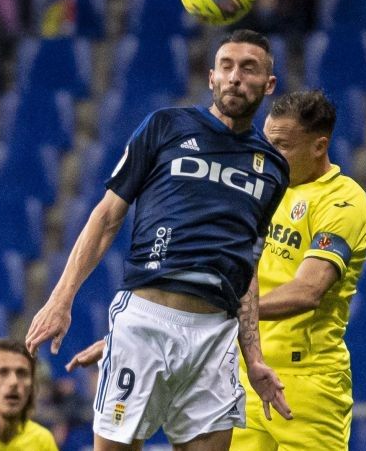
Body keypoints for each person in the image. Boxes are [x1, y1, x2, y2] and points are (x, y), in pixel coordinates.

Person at [26, 29, 293, 451]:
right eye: (226, 67)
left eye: (249, 68)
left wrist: (253, 355)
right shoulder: (166, 126)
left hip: (215, 335)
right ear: (211, 78)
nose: (235, 78)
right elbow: (106, 216)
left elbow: (248, 269)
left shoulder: (273, 168)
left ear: (269, 84)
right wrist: (61, 299)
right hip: (147, 320)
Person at [68, 90, 366, 450]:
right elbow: (203, 287)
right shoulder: (261, 188)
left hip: (309, 383)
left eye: (282, 145)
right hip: (243, 372)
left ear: (319, 146)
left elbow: (308, 291)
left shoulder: (343, 201)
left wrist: (219, 314)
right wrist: (137, 334)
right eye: (267, 140)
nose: (270, 153)